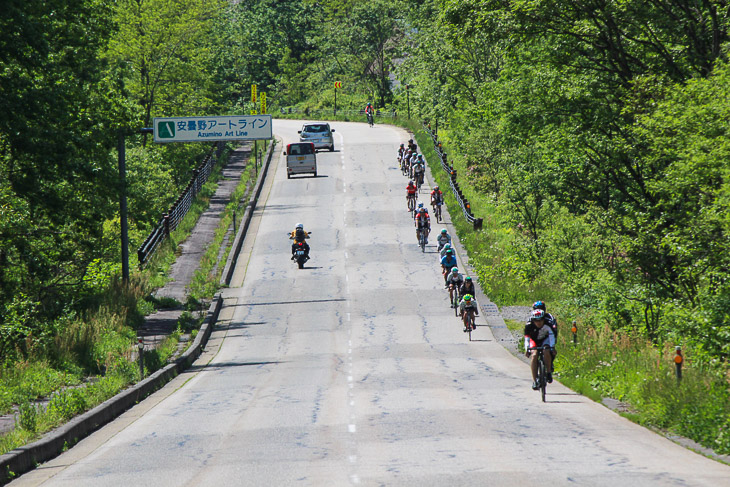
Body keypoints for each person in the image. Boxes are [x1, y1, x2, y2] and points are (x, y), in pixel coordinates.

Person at [524, 309, 555, 390]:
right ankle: (535, 381)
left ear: (543, 319)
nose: (538, 322)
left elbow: (552, 336)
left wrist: (552, 347)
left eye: (541, 320)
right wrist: (527, 349)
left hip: (545, 340)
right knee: (534, 355)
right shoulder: (529, 325)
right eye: (536, 320)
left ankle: (548, 372)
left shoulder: (548, 323)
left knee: (546, 350)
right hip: (533, 340)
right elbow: (527, 339)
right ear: (533, 320)